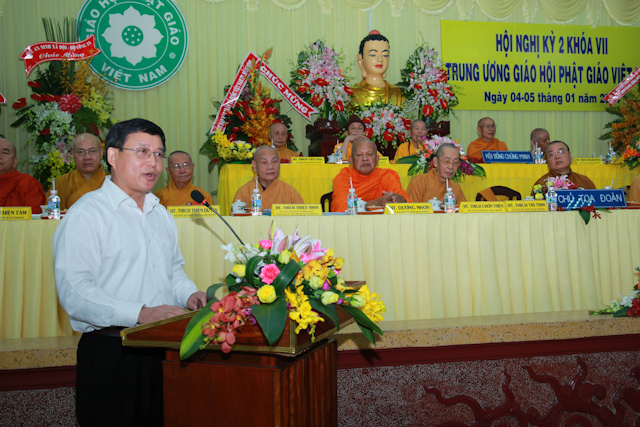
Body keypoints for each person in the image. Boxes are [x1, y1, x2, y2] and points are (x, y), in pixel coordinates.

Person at [53, 118, 207, 427]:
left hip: (163, 349)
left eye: (158, 153)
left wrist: (189, 295)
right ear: (112, 156)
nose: (153, 162)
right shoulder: (87, 214)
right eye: (142, 151)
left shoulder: (160, 214)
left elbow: (173, 272)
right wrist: (141, 313)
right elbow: (76, 293)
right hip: (112, 352)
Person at [331, 137, 409, 212]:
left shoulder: (387, 176)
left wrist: (401, 200)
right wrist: (376, 204)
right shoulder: (344, 177)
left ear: (377, 159)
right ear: (351, 160)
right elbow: (341, 208)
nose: (365, 159)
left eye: (369, 154)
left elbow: (408, 206)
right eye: (359, 155)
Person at [46, 133, 107, 210]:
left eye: (92, 151)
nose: (87, 157)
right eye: (81, 152)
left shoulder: (113, 182)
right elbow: (50, 215)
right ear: (73, 154)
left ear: (101, 153)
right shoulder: (61, 184)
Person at [233, 145, 304, 209]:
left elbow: (301, 218)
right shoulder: (244, 192)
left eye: (274, 161)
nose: (270, 167)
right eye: (264, 162)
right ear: (255, 165)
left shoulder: (290, 192)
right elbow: (236, 218)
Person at [351, 30, 405, 107]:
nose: (380, 59)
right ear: (360, 60)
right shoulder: (352, 94)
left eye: (384, 55)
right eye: (373, 55)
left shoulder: (397, 94)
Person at [0, 138, 46, 213]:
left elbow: (34, 216)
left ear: (15, 162)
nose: (0, 156)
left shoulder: (27, 183)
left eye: (5, 153)